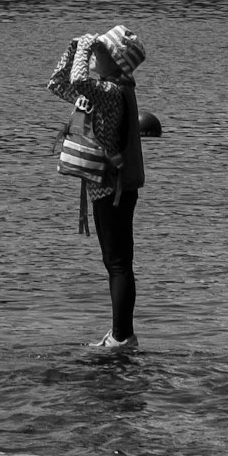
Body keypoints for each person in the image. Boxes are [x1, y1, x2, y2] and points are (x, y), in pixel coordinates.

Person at [49, 23, 145, 352]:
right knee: (114, 261)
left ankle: (123, 337)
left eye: (100, 53)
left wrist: (87, 44)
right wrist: (76, 48)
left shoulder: (111, 93)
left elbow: (76, 80)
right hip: (106, 188)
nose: (93, 58)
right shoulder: (104, 90)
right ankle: (120, 332)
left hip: (112, 189)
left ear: (115, 61)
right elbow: (58, 84)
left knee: (118, 263)